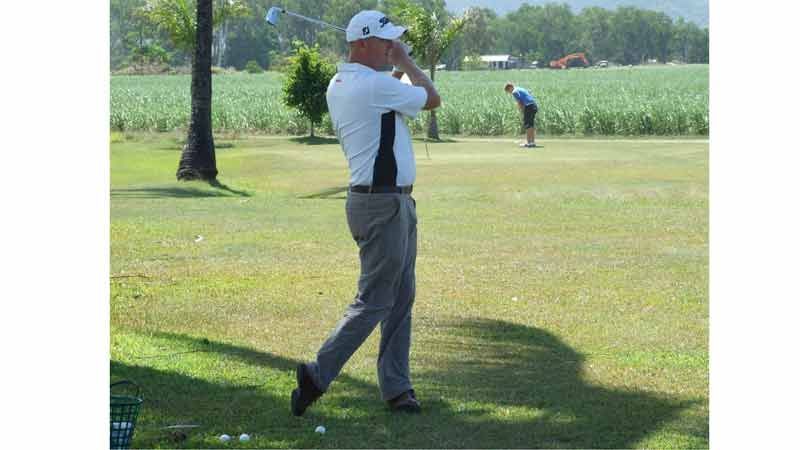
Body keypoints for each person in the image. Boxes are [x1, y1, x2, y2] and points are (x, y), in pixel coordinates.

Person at [290, 10, 441, 417]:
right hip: (383, 204)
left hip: (387, 202)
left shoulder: (345, 82)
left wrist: (392, 67)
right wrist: (407, 63)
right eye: (386, 41)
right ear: (362, 43)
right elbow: (432, 99)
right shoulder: (374, 85)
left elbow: (385, 99)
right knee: (376, 300)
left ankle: (397, 388)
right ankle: (317, 374)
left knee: (400, 296)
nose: (392, 46)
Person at [504, 82, 539, 148]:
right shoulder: (519, 88)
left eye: (508, 91)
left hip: (529, 107)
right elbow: (529, 94)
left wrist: (522, 112)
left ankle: (528, 143)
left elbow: (520, 102)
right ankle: (532, 142)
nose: (509, 92)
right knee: (531, 124)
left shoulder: (514, 92)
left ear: (510, 87)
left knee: (528, 125)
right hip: (534, 106)